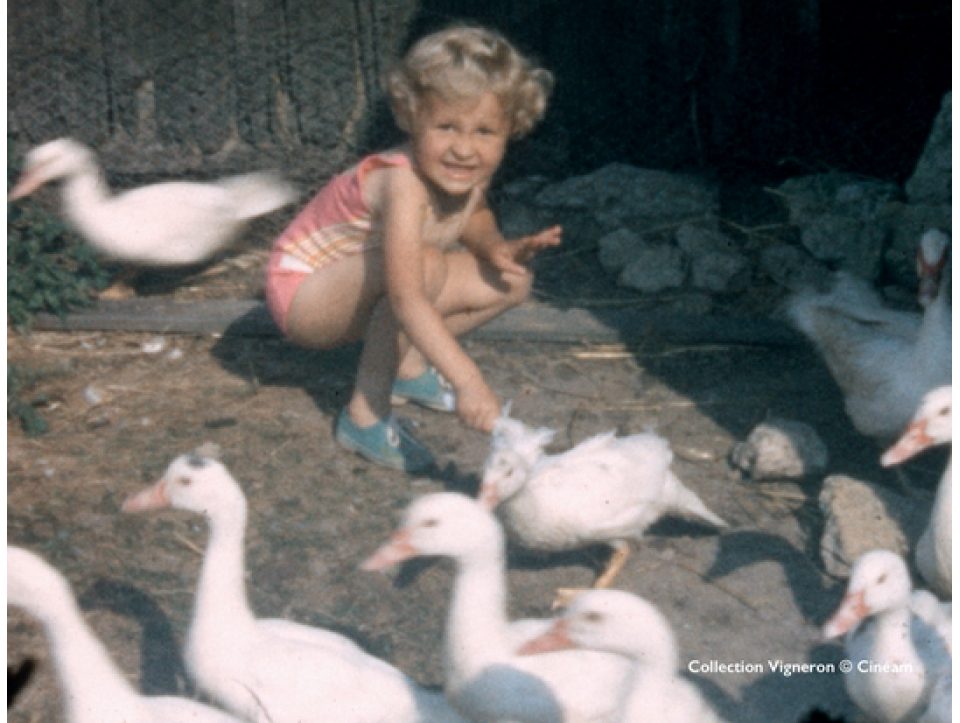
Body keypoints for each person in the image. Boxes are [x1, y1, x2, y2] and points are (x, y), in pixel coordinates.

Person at [265, 24, 561, 472]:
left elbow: (474, 215)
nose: (464, 148)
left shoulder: (464, 171)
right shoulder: (403, 182)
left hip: (366, 285)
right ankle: (363, 416)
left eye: (484, 132)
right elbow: (406, 297)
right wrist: (468, 380)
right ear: (410, 116)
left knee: (514, 282)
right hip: (304, 298)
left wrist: (495, 247)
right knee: (422, 268)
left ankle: (409, 369)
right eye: (446, 127)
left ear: (509, 131)